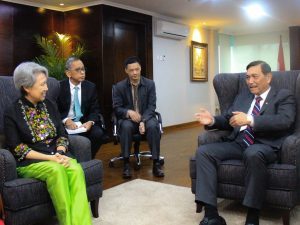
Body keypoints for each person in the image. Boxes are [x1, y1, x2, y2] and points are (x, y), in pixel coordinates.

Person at [194, 60, 296, 225]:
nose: (250, 81)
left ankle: (252, 215)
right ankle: (211, 214)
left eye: (255, 76)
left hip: (265, 145)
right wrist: (212, 120)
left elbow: (285, 120)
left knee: (253, 153)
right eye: (248, 77)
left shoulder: (283, 95)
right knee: (203, 151)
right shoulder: (243, 96)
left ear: (268, 77)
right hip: (238, 143)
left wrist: (249, 119)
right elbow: (229, 120)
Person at [4, 62, 92, 225]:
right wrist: (51, 159)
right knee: (56, 171)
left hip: (57, 155)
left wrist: (59, 151)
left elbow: (62, 134)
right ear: (27, 87)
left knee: (75, 168)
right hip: (31, 162)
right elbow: (18, 148)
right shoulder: (12, 112)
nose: (46, 88)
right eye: (42, 84)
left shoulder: (50, 105)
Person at [113, 56, 164, 179]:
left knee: (153, 126)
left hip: (146, 117)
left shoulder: (150, 84)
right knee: (125, 126)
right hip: (129, 120)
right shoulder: (119, 87)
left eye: (137, 69)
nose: (135, 72)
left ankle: (156, 163)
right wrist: (129, 112)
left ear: (140, 68)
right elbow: (117, 108)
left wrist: (143, 121)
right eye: (131, 70)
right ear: (126, 70)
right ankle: (126, 163)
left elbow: (152, 106)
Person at [57, 56, 106, 158]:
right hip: (65, 124)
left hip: (83, 122)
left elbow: (95, 109)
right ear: (68, 73)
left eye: (83, 69)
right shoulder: (59, 87)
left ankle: (88, 158)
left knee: (98, 134)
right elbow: (54, 109)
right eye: (78, 70)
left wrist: (90, 122)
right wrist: (65, 120)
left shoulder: (90, 87)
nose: (82, 72)